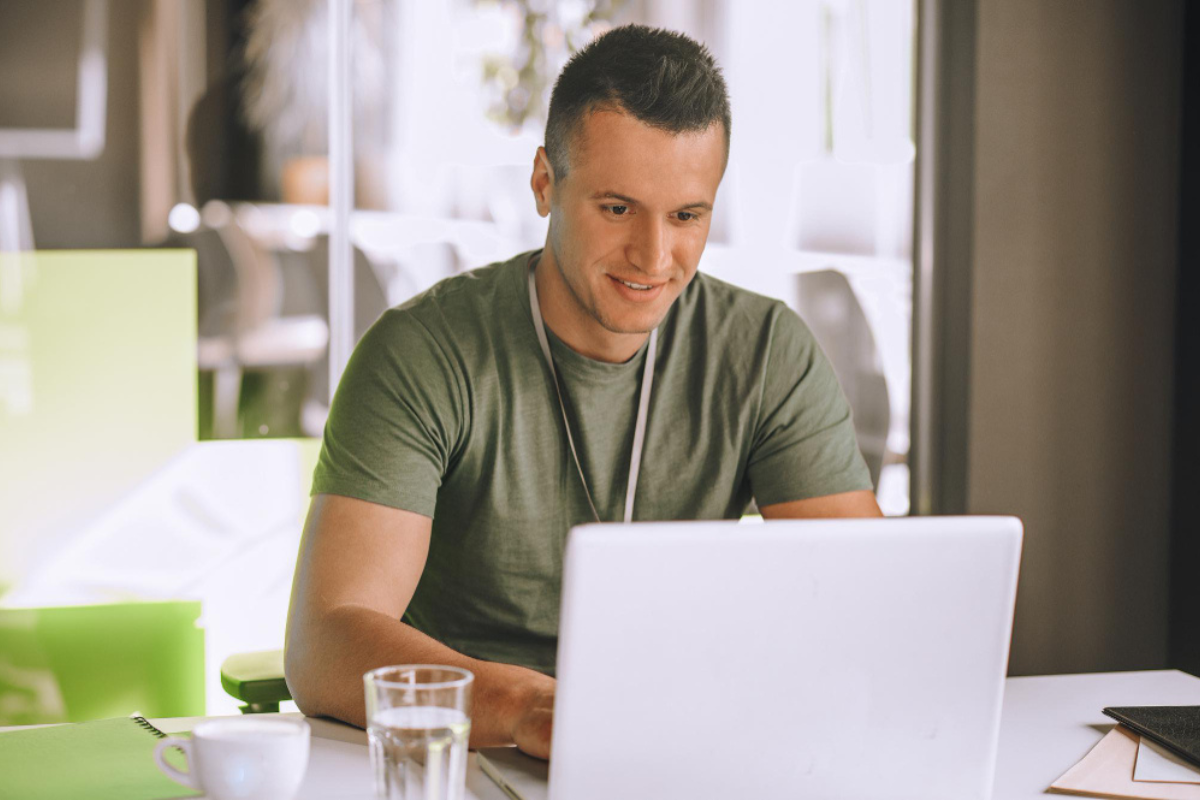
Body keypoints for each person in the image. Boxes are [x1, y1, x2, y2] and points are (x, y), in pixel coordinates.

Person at [283, 24, 882, 760]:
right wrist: (528, 707)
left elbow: (860, 609)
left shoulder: (765, 351)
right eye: (618, 208)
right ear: (544, 182)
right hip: (476, 754)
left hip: (678, 748)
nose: (654, 258)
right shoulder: (423, 352)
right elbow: (326, 638)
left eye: (687, 216)